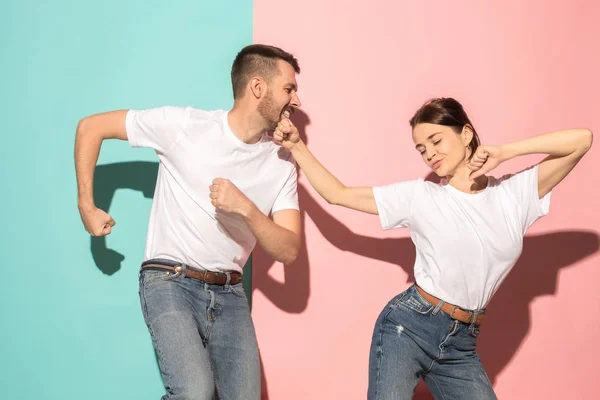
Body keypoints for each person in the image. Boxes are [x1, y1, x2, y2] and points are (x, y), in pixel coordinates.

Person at [273, 97, 593, 399]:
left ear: (466, 134)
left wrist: (506, 152)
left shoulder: (515, 195)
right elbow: (337, 193)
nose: (429, 154)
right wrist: (296, 146)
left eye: (436, 141)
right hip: (408, 327)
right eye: (422, 149)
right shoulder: (421, 198)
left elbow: (582, 140)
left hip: (462, 344)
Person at [75, 44, 303, 400]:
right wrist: (87, 205)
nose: (296, 100)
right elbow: (91, 127)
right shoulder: (185, 125)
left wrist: (246, 208)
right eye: (289, 88)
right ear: (257, 87)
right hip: (170, 280)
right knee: (194, 393)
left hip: (230, 293)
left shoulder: (282, 164)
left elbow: (288, 249)